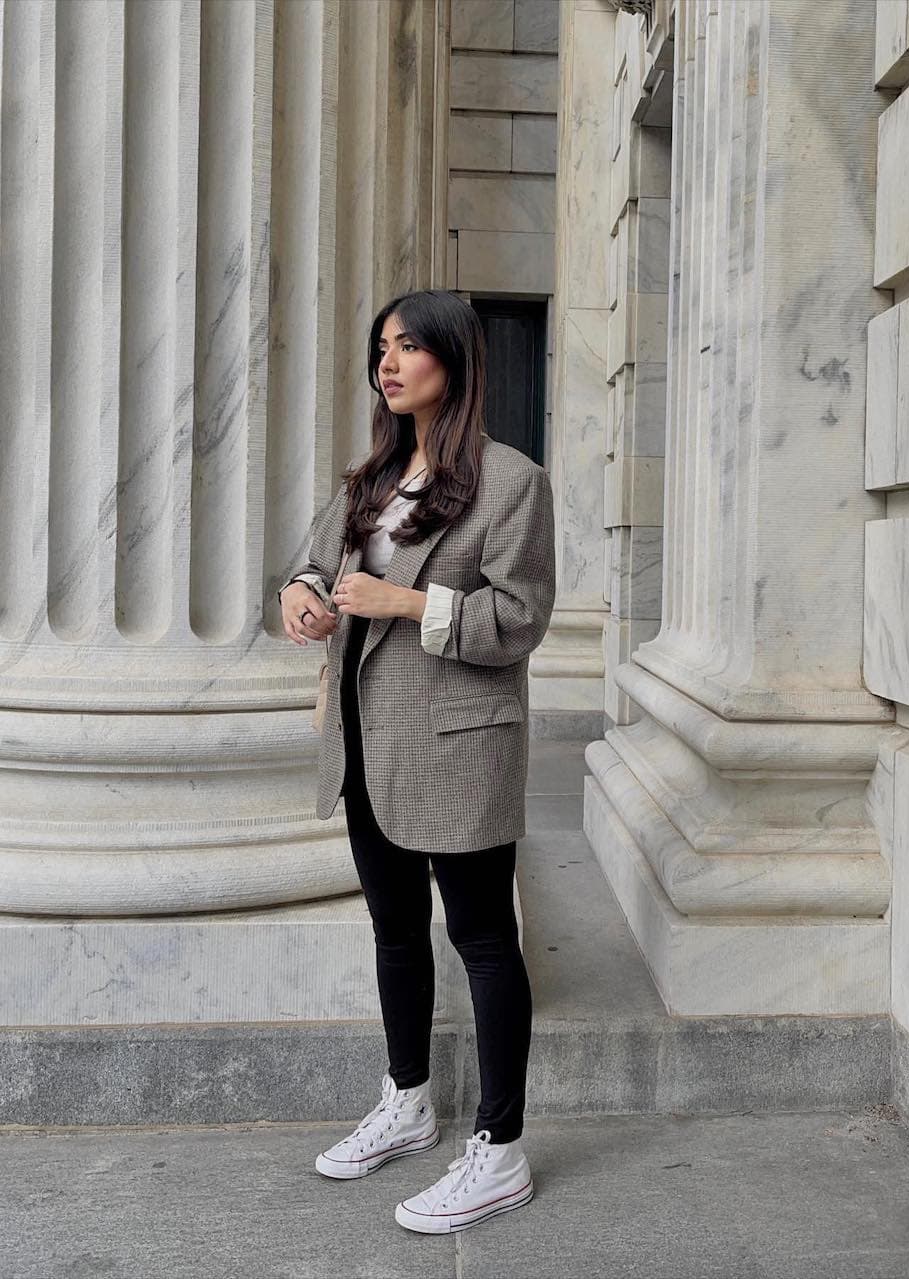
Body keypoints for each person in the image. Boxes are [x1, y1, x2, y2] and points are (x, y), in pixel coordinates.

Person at [277, 288, 556, 1234]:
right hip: (367, 737)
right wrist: (304, 596)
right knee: (394, 928)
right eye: (381, 347)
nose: (388, 363)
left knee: (482, 939)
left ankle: (501, 1148)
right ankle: (408, 1099)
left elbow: (518, 620)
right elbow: (318, 565)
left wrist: (404, 607)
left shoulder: (511, 482)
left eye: (408, 347)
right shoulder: (372, 478)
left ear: (455, 361)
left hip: (460, 748)